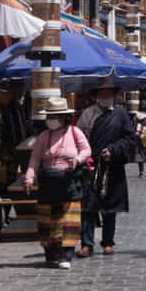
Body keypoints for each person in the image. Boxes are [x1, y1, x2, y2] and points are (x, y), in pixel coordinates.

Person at [24, 97, 91, 269]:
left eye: (55, 116)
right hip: (48, 184)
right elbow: (35, 159)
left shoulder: (75, 133)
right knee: (47, 221)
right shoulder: (43, 136)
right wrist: (29, 177)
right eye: (49, 116)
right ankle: (51, 253)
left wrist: (77, 159)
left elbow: (86, 150)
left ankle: (66, 254)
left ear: (64, 117)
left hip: (68, 182)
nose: (51, 120)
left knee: (69, 220)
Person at [77, 85, 137, 256]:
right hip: (91, 164)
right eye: (102, 93)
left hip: (112, 166)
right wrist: (85, 155)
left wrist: (114, 150)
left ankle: (108, 242)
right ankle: (87, 243)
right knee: (88, 206)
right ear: (96, 95)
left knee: (110, 206)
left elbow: (130, 139)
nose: (105, 96)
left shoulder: (121, 115)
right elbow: (79, 137)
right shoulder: (87, 114)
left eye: (108, 94)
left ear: (113, 95)